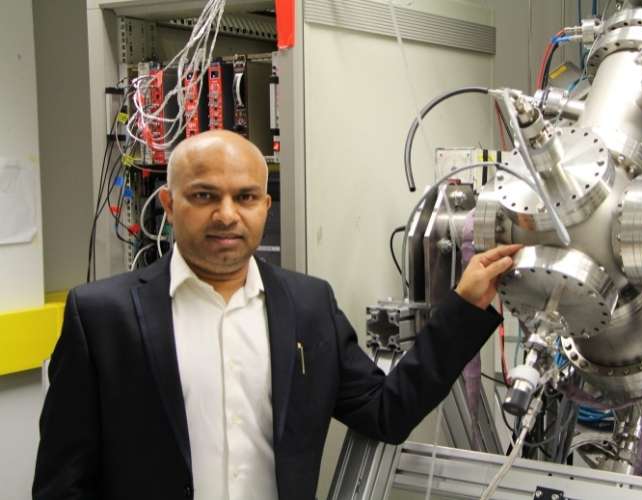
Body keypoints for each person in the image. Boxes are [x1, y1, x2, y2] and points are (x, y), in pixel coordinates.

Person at [33, 130, 521, 500]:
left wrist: (463, 309)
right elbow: (62, 482)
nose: (227, 214)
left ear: (265, 205)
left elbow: (385, 411)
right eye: (204, 195)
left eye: (245, 197)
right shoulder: (101, 316)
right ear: (168, 203)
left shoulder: (308, 306)